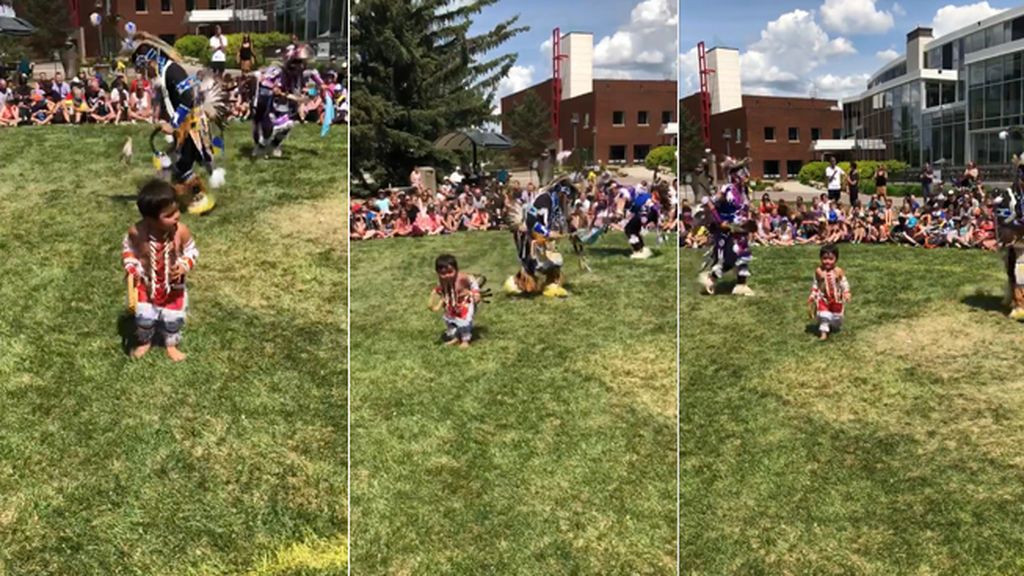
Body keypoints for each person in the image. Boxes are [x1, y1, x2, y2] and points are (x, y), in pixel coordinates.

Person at [122, 179, 198, 361]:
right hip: (146, 284)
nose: (177, 216)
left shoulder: (181, 231)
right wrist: (132, 266)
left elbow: (192, 250)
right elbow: (128, 249)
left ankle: (170, 344)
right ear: (150, 219)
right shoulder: (137, 232)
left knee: (173, 319)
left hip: (173, 286)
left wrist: (184, 264)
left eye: (177, 210)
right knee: (144, 318)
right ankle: (145, 342)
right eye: (169, 214)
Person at [429, 254, 481, 348]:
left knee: (463, 321)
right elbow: (441, 290)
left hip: (465, 302)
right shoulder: (442, 280)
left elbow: (473, 282)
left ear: (456, 270)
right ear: (438, 273)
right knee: (450, 321)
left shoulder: (462, 277)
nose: (447, 276)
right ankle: (456, 337)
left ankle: (465, 340)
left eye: (450, 272)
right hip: (451, 303)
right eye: (443, 273)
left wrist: (476, 293)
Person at [808, 244, 850, 340]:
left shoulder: (838, 271)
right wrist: (813, 295)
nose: (827, 261)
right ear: (820, 258)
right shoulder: (819, 272)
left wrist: (846, 292)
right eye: (824, 258)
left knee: (837, 317)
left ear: (836, 259)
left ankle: (833, 324)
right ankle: (823, 333)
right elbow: (816, 284)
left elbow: (844, 282)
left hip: (836, 299)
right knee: (824, 315)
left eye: (831, 259)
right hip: (823, 298)